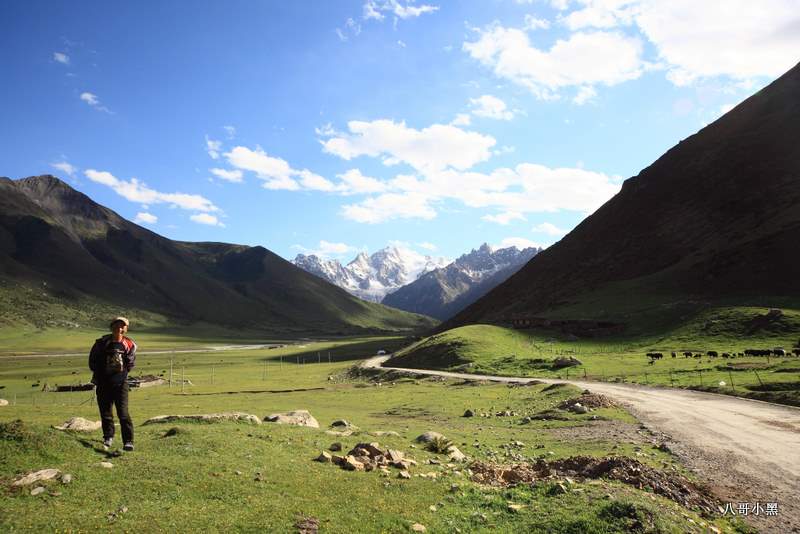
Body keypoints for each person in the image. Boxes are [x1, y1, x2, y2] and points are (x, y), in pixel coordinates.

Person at [89, 316, 137, 451]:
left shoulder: (130, 344)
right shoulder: (101, 343)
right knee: (106, 413)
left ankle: (128, 441)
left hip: (121, 384)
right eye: (117, 325)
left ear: (126, 329)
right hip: (103, 383)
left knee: (123, 413)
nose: (119, 328)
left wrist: (120, 374)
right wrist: (102, 373)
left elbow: (130, 363)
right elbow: (92, 361)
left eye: (123, 326)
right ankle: (108, 437)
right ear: (111, 327)